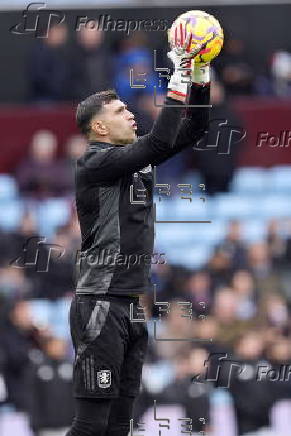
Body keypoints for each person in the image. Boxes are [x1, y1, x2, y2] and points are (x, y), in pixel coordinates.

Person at [66, 27, 212, 436]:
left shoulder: (134, 158)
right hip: (99, 303)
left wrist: (199, 75)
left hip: (132, 304)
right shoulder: (95, 163)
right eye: (119, 112)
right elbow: (161, 137)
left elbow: (194, 130)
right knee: (92, 423)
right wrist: (179, 72)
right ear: (98, 129)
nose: (130, 113)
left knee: (119, 424)